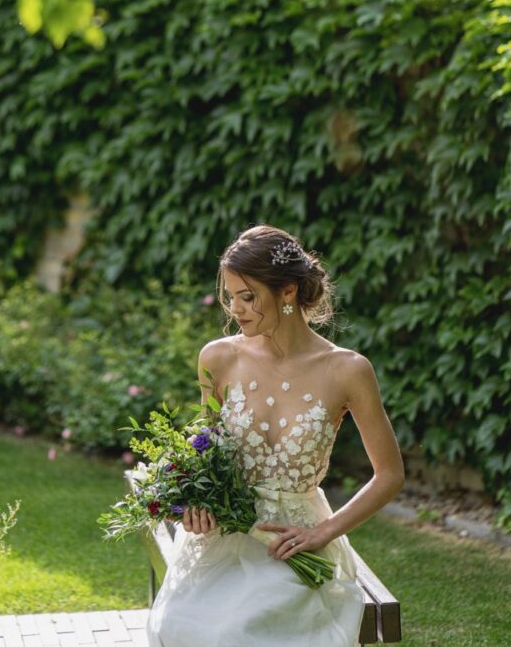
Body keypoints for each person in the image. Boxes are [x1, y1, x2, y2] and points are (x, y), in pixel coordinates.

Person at [146, 224, 405, 646]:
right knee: (180, 626)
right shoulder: (218, 358)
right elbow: (208, 459)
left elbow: (390, 474)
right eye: (231, 297)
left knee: (242, 632)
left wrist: (324, 532)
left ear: (287, 292)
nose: (235, 309)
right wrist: (195, 503)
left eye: (247, 297)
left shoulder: (348, 370)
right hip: (224, 539)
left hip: (296, 544)